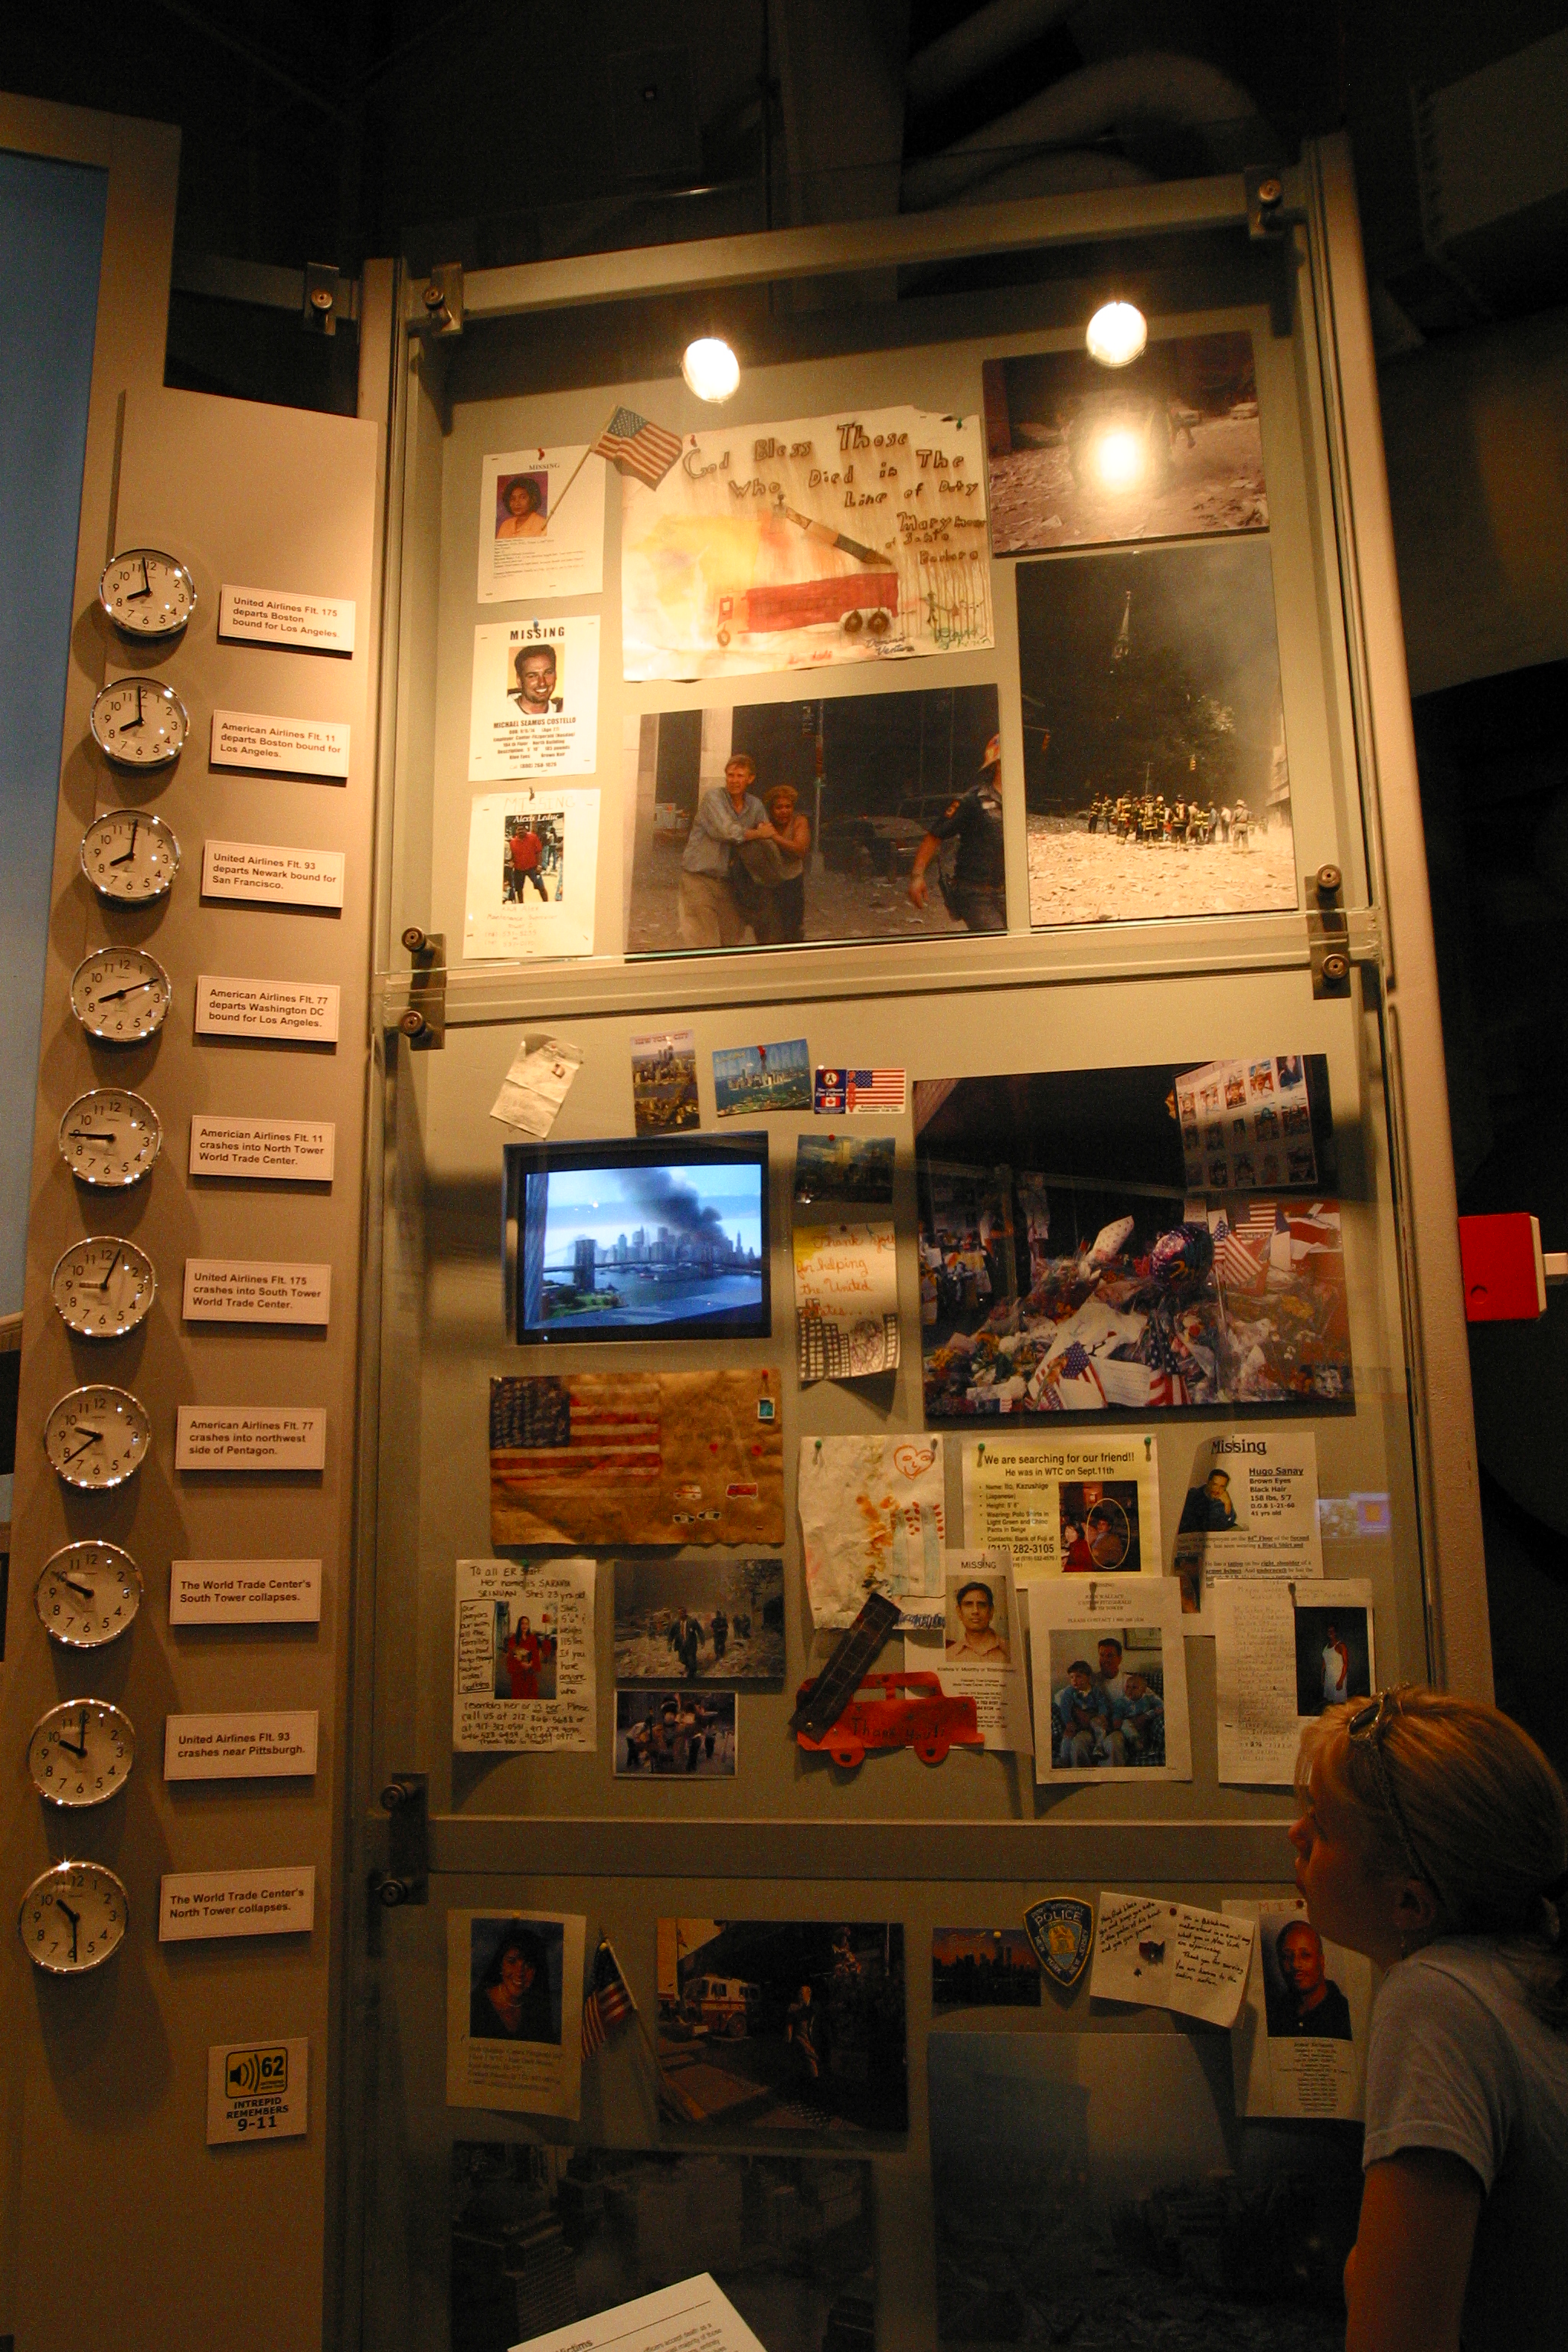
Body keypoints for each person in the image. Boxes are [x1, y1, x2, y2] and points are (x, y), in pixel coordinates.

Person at [1289, 1687, 1568, 2352]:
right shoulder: (1528, 1970)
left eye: (1321, 1828)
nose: (1294, 1834)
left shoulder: (1435, 2001)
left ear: (1410, 1904)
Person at [907, 735, 1006, 932]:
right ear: (997, 764)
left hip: (1006, 892)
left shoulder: (1017, 800)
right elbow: (935, 835)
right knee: (997, 943)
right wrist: (917, 876)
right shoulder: (972, 801)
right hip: (975, 894)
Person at [678, 751, 773, 948]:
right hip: (699, 879)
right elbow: (726, 831)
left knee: (731, 940)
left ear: (750, 779)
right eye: (730, 775)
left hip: (730, 883)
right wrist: (757, 833)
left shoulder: (755, 805)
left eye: (740, 776)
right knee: (704, 943)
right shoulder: (713, 798)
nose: (734, 780)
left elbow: (767, 834)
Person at [740, 782, 810, 945]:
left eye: (788, 807)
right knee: (766, 930)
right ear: (771, 809)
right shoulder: (765, 824)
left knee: (792, 931)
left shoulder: (799, 821)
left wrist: (774, 837)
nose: (784, 811)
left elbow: (800, 850)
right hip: (768, 883)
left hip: (792, 882)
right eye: (779, 807)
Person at [1266, 1919, 1353, 2040]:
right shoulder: (1274, 2015)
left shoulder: (1344, 2015)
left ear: (1321, 1961)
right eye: (1287, 1956)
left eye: (1305, 1955)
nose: (1295, 1964)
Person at [470, 1926, 556, 2041]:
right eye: (512, 1962)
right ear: (501, 1964)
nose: (519, 1973)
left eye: (529, 1965)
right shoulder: (476, 2005)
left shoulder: (538, 2010)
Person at [946, 1579, 1011, 1665]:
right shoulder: (949, 1656)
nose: (975, 1611)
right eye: (969, 1605)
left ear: (991, 1611)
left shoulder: (1011, 1651)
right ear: (959, 1612)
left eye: (981, 1605)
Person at [1055, 1661, 1100, 1766]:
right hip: (1075, 1723)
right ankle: (1063, 1760)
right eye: (1072, 1678)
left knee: (1091, 1732)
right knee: (1068, 1736)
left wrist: (1102, 1715)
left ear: (1088, 1677)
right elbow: (1065, 1708)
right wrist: (1068, 1722)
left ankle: (1098, 1746)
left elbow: (1102, 1704)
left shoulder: (1095, 1691)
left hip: (1091, 1725)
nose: (1074, 1681)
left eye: (1078, 1677)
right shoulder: (1069, 1693)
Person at [1178, 1466, 1238, 1534]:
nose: (1217, 1490)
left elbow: (1231, 1519)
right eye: (1215, 1485)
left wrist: (1228, 1504)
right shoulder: (1194, 1495)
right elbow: (1208, 1525)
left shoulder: (1223, 1497)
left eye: (1222, 1486)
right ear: (1208, 1483)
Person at [511, 642, 563, 713]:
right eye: (532, 676)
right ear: (519, 680)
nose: (542, 683)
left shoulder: (561, 710)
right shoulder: (502, 710)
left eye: (548, 673)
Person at [502, 1615, 544, 1699]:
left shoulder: (532, 1638)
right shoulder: (513, 1639)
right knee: (518, 1694)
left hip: (530, 1673)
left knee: (531, 1694)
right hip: (518, 1673)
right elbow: (511, 1656)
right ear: (519, 1625)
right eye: (522, 1624)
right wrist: (520, 1663)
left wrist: (531, 1664)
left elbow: (536, 1654)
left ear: (529, 1625)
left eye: (526, 1624)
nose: (525, 1626)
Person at [507, 822, 548, 903]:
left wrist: (539, 865)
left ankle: (546, 903)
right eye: (519, 830)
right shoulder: (512, 842)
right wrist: (511, 862)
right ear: (516, 831)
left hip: (533, 868)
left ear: (526, 830)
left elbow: (539, 852)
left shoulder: (533, 837)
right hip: (519, 869)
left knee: (541, 887)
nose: (521, 831)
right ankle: (521, 904)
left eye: (522, 829)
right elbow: (511, 856)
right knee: (519, 889)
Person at [496, 474, 547, 538]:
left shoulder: (543, 524)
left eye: (522, 497)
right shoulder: (506, 525)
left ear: (533, 499)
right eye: (513, 499)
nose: (517, 503)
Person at [1322, 1621, 1351, 1705]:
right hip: (1329, 1679)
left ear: (1335, 1633)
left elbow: (1346, 1663)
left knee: (1339, 1704)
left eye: (1332, 1631)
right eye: (1329, 1631)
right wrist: (1322, 1677)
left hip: (1338, 1679)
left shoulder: (1341, 1646)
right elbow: (1324, 1663)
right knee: (1330, 1703)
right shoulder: (1326, 1647)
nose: (1330, 1633)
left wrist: (1341, 1680)